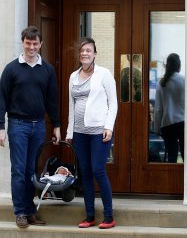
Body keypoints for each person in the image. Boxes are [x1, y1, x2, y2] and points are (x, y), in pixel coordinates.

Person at [0, 26, 61, 228]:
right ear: (22, 43)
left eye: (35, 43)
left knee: (32, 171)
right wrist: (0, 126)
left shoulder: (47, 69)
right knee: (18, 170)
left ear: (40, 44)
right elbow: (1, 99)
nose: (31, 47)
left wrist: (56, 125)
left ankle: (30, 210)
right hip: (18, 125)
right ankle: (20, 212)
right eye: (28, 43)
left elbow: (52, 100)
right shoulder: (11, 69)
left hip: (38, 126)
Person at [65, 37, 118, 229]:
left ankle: (109, 216)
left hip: (99, 132)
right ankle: (89, 216)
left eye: (88, 50)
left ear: (95, 53)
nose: (85, 53)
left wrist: (109, 127)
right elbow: (72, 105)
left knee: (98, 170)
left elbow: (113, 103)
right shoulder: (73, 76)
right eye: (82, 51)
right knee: (85, 173)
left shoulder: (104, 74)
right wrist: (70, 131)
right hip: (79, 133)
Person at [153, 53, 185, 163]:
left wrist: (157, 128)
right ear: (179, 66)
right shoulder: (184, 81)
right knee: (185, 156)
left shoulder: (162, 83)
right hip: (183, 123)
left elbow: (158, 109)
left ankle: (171, 180)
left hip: (167, 125)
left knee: (171, 158)